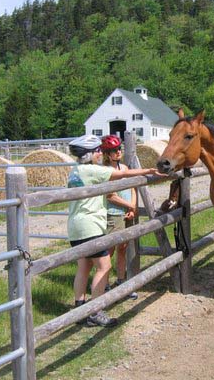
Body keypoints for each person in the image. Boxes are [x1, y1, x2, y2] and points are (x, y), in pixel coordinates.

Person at [67, 134, 159, 327]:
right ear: (90, 154)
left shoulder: (74, 171)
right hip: (91, 226)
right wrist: (150, 170)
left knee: (84, 267)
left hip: (75, 226)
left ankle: (79, 309)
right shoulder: (92, 170)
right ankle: (95, 310)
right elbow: (124, 175)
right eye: (97, 151)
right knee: (104, 266)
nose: (100, 154)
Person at [101, 135, 139, 299]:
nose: (118, 152)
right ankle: (104, 284)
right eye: (113, 151)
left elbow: (133, 188)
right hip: (114, 214)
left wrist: (133, 206)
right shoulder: (106, 171)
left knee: (123, 248)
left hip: (127, 212)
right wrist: (129, 206)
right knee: (109, 250)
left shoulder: (124, 167)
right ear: (107, 154)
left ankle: (121, 281)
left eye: (119, 149)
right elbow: (111, 196)